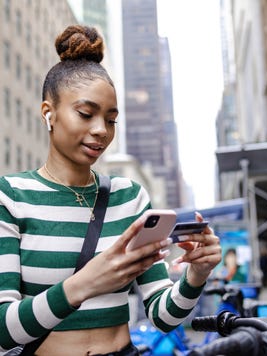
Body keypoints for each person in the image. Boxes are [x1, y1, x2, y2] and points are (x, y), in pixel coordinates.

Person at [0, 25, 222, 356]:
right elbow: (3, 329)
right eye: (86, 114)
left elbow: (163, 317)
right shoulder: (11, 195)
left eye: (111, 120)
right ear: (49, 113)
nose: (101, 130)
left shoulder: (129, 196)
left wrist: (196, 274)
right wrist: (85, 283)